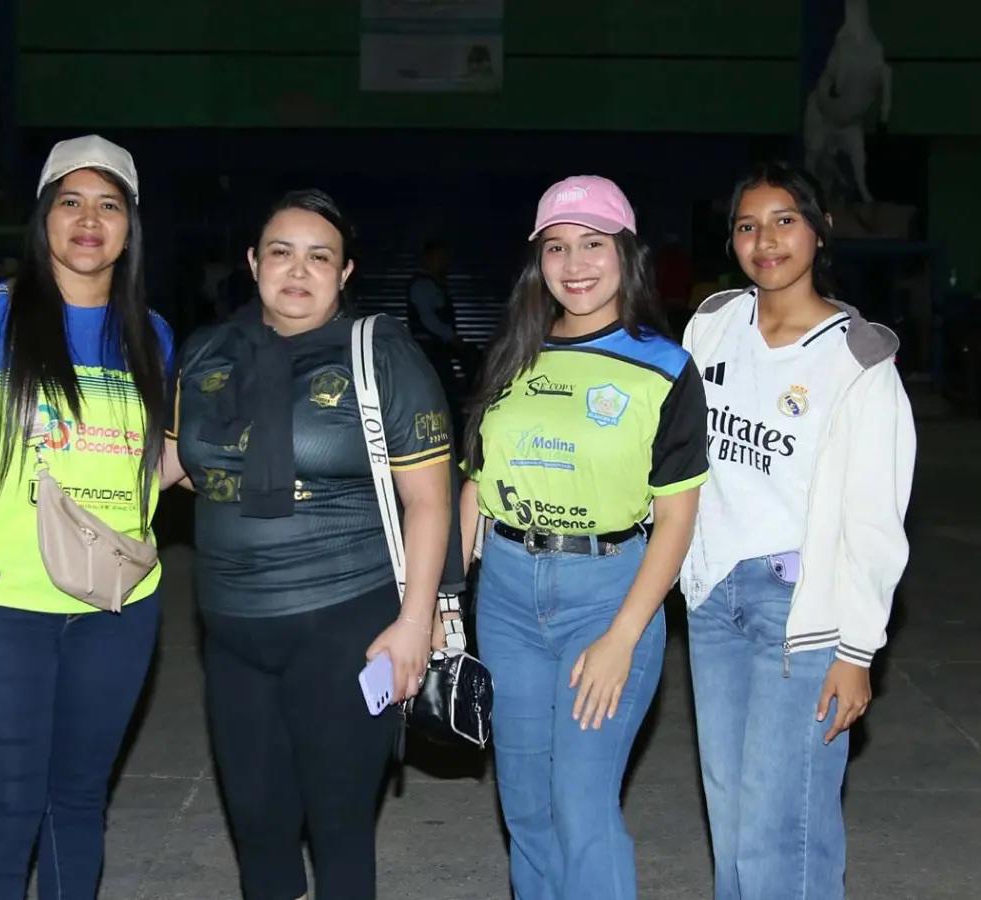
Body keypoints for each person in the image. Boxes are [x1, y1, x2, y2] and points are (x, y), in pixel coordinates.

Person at [160, 189, 459, 900]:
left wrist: (415, 621)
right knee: (258, 830)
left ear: (345, 272)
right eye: (281, 252)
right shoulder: (206, 352)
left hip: (347, 625)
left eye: (319, 257)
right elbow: (172, 466)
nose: (298, 271)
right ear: (252, 262)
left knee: (340, 829)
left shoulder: (381, 355)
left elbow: (429, 500)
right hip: (231, 632)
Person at [0, 134, 173, 899]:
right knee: (8, 812)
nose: (89, 220)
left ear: (130, 226)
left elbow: (152, 464)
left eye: (108, 205)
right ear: (43, 217)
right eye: (70, 202)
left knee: (78, 804)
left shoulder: (150, 334)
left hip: (118, 606)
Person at [460, 176, 709, 899]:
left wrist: (623, 637)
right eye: (556, 246)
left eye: (593, 244)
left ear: (626, 254)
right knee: (525, 807)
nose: (574, 264)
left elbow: (678, 520)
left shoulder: (664, 367)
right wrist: (444, 601)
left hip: (607, 596)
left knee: (581, 805)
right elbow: (476, 484)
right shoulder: (513, 354)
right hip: (506, 593)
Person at [680, 161, 916, 898]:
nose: (766, 240)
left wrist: (857, 650)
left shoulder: (859, 360)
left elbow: (876, 520)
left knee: (783, 826)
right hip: (713, 599)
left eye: (784, 221)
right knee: (731, 817)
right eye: (747, 226)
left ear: (819, 230)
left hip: (799, 609)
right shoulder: (712, 324)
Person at [406, 238, 477, 435]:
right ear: (429, 258)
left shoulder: (434, 283)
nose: (445, 261)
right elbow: (429, 318)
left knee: (445, 391)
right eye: (440, 257)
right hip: (429, 350)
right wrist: (452, 338)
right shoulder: (422, 285)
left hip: (437, 348)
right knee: (442, 391)